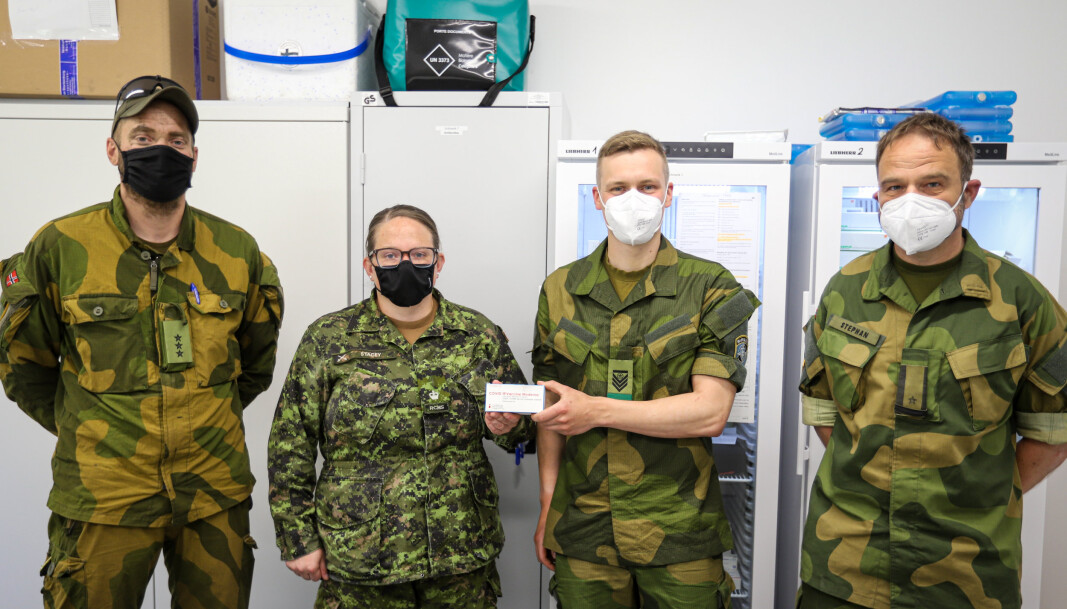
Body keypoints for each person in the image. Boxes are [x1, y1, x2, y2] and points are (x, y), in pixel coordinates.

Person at [0, 75, 284, 608]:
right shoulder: (60, 245)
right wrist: (90, 428)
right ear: (114, 149)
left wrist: (195, 416)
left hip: (212, 495)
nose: (162, 149)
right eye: (143, 136)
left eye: (177, 140)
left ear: (194, 156)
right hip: (103, 496)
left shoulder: (236, 251)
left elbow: (254, 366)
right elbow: (22, 365)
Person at [797, 112, 1067, 608]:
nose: (910, 200)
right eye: (894, 186)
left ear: (969, 191)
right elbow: (825, 416)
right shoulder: (844, 292)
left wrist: (979, 497)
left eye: (932, 183)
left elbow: (1053, 434)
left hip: (967, 575)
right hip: (845, 566)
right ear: (877, 195)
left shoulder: (1022, 301)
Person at [530, 130, 759, 608]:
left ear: (668, 194)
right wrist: (548, 503)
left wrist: (597, 412)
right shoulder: (560, 288)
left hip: (679, 527)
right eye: (618, 188)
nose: (633, 199)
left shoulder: (711, 285)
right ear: (598, 198)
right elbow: (554, 406)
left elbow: (709, 413)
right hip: (583, 525)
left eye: (648, 186)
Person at [268, 204, 535, 608]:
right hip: (360, 560)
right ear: (369, 265)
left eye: (419, 255)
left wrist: (508, 428)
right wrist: (297, 539)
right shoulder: (329, 339)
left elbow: (526, 429)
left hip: (459, 556)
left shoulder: (477, 334)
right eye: (390, 255)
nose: (405, 264)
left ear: (438, 262)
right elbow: (291, 443)